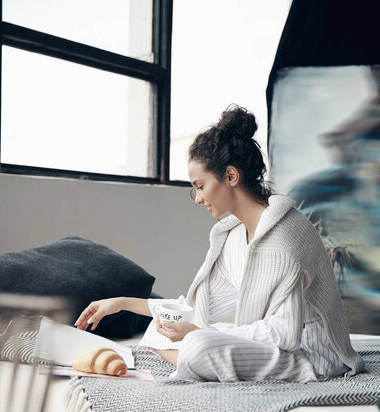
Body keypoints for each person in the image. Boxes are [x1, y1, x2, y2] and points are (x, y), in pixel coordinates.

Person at [75, 105, 365, 382]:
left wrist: (196, 334)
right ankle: (196, 357)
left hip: (309, 357)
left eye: (200, 186)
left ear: (230, 176)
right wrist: (121, 304)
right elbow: (197, 308)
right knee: (160, 331)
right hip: (273, 348)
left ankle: (196, 358)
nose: (198, 198)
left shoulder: (286, 236)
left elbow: (284, 335)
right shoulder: (234, 237)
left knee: (199, 344)